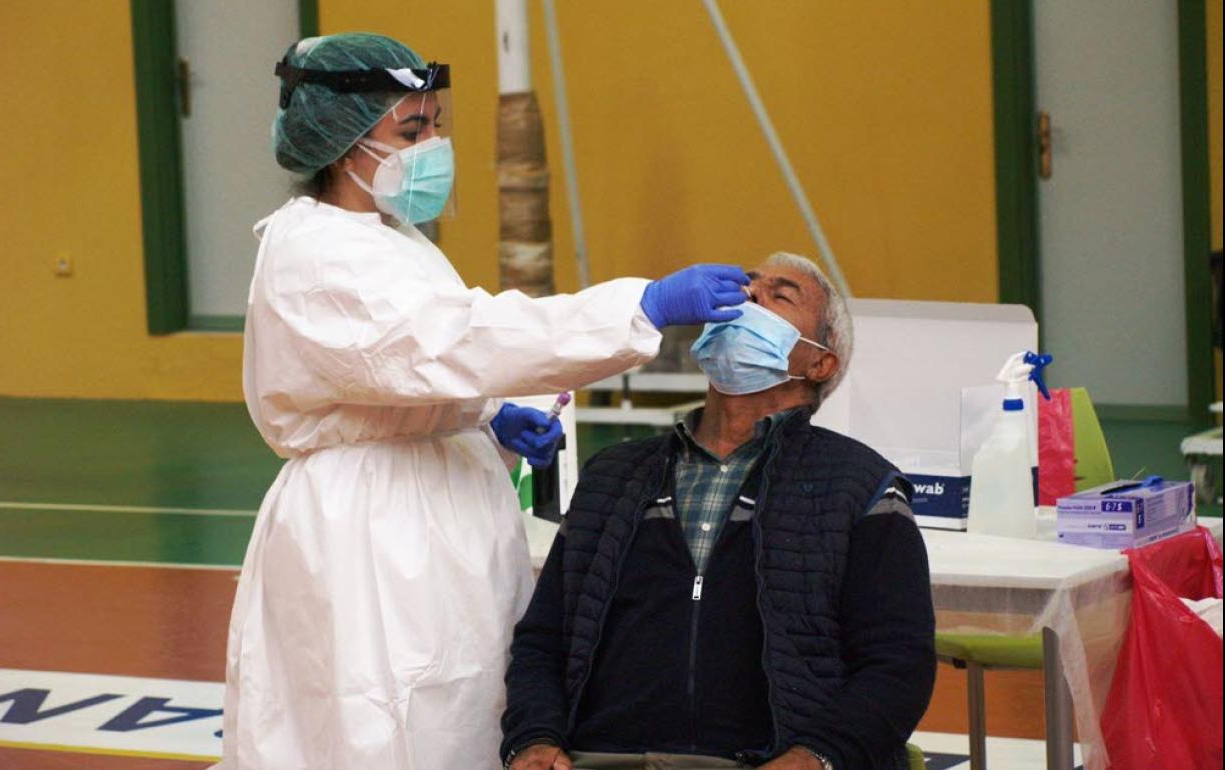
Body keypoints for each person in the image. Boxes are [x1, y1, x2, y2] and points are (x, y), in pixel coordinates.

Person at [215, 32, 751, 770]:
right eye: (412, 130)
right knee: (382, 719)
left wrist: (485, 416)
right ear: (342, 147)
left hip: (432, 509)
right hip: (370, 533)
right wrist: (642, 307)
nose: (433, 144)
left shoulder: (387, 235)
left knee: (465, 706)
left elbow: (409, 372)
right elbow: (450, 341)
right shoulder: (317, 252)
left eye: (436, 124)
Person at [501, 253, 936, 770]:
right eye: (748, 286)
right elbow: (544, 639)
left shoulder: (860, 487)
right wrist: (534, 738)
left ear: (820, 363)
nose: (750, 296)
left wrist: (817, 757)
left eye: (780, 295)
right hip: (604, 757)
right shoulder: (614, 476)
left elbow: (897, 665)